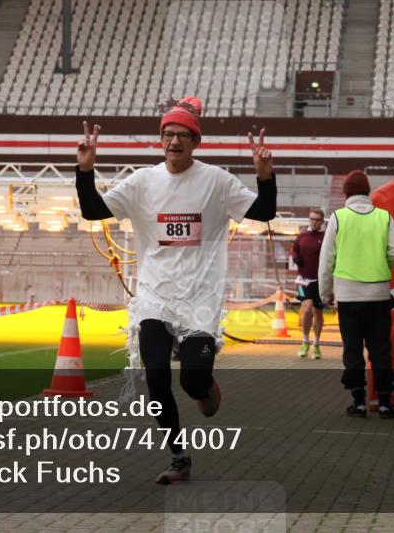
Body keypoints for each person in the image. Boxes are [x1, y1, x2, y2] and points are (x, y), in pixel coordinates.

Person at [74, 97, 276, 485]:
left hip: (199, 299)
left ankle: (204, 387)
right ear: (160, 140)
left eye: (183, 135)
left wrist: (264, 176)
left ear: (195, 141)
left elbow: (263, 213)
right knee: (156, 377)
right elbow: (93, 210)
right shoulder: (142, 181)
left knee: (191, 381)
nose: (174, 142)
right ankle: (179, 457)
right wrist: (85, 170)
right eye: (168, 135)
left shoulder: (215, 181)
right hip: (155, 297)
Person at [319, 170, 394, 420]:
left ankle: (358, 402)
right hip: (378, 296)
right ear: (368, 192)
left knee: (353, 350)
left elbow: (327, 260)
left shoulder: (338, 218)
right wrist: (382, 261)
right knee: (380, 349)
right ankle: (386, 402)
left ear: (346, 193)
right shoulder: (384, 217)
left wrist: (325, 294)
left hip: (348, 297)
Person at [290, 208, 326, 359]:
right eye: (312, 219)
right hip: (304, 280)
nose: (314, 222)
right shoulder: (302, 236)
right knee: (306, 308)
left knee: (317, 312)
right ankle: (305, 341)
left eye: (317, 219)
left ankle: (316, 344)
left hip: (320, 280)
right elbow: (294, 250)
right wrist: (295, 257)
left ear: (322, 221)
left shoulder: (325, 237)